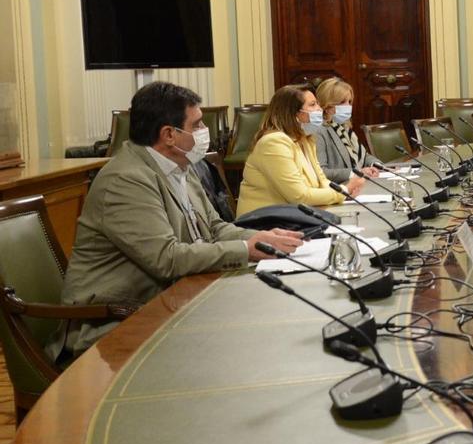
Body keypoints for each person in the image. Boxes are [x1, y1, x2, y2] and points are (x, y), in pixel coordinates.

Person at [53, 82, 302, 357]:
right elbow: (167, 258)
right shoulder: (127, 179)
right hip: (113, 322)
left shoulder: (181, 166)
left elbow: (214, 228)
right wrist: (246, 250)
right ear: (169, 134)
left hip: (170, 301)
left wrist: (263, 240)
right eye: (196, 125)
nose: (203, 133)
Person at [236, 85, 365, 217]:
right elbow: (299, 196)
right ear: (294, 113)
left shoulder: (306, 140)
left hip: (292, 217)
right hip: (264, 222)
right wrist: (344, 190)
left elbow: (322, 181)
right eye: (313, 105)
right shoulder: (273, 143)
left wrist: (343, 193)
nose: (320, 109)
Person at [313, 77, 380, 183]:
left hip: (358, 184)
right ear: (327, 105)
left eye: (349, 102)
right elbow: (321, 171)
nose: (348, 106)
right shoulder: (319, 131)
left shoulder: (344, 128)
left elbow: (363, 156)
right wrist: (357, 172)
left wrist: (378, 166)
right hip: (338, 190)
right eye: (342, 102)